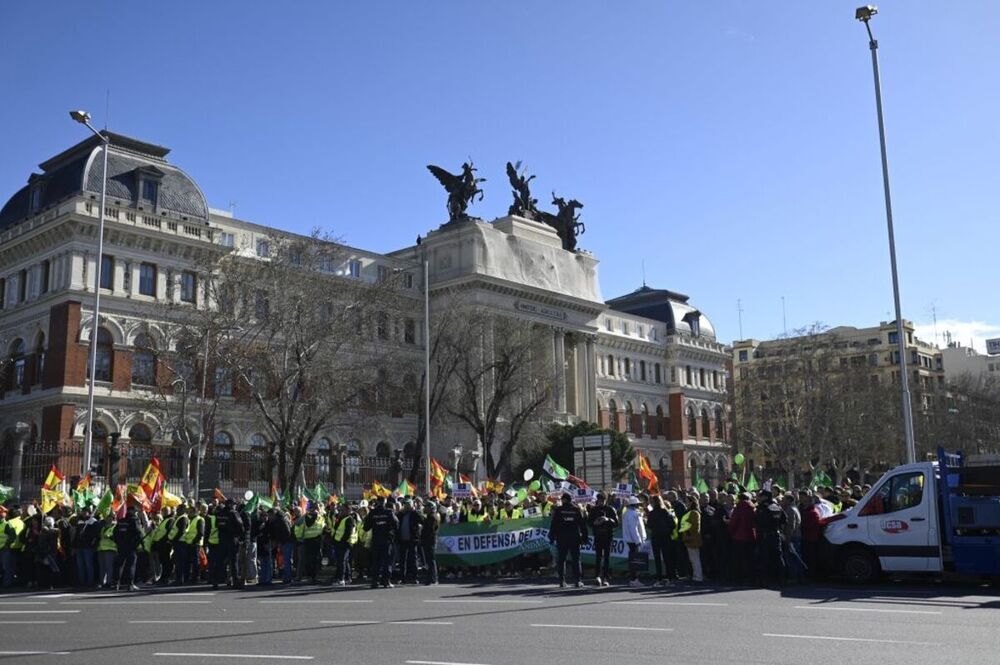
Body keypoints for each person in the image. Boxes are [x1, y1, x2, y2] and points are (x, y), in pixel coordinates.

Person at [548, 493, 588, 588]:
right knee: (576, 559)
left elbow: (554, 525)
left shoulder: (559, 510)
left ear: (564, 500)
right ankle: (578, 581)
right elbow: (582, 525)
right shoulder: (576, 510)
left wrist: (552, 537)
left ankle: (562, 581)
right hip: (575, 538)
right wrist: (584, 538)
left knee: (561, 560)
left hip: (562, 539)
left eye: (562, 499)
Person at [364, 497, 399, 589]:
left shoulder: (372, 513)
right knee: (387, 562)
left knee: (376, 562)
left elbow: (366, 527)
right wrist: (391, 532)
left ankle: (375, 582)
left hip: (376, 541)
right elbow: (396, 524)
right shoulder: (389, 512)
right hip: (387, 541)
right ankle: (386, 582)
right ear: (385, 502)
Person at [587, 492, 618, 587]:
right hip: (598, 535)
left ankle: (605, 577)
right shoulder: (593, 510)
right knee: (598, 557)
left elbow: (616, 523)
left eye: (602, 500)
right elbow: (589, 523)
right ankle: (597, 576)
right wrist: (595, 522)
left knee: (607, 557)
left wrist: (607, 519)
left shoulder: (610, 509)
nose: (601, 502)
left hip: (608, 536)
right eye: (599, 500)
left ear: (605, 500)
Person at [646, 496, 675, 586]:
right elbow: (673, 524)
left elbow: (649, 525)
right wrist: (668, 531)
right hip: (666, 537)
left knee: (657, 559)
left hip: (656, 537)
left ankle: (659, 579)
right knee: (667, 558)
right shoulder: (666, 511)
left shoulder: (652, 513)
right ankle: (670, 578)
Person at [728, 492, 756, 584]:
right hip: (750, 536)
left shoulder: (738, 507)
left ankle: (738, 578)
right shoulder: (752, 507)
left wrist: (731, 532)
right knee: (750, 559)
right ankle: (751, 578)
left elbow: (733, 522)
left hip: (738, 537)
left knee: (738, 559)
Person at [114, 507, 144, 591]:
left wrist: (118, 543)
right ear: (133, 511)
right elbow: (139, 533)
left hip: (121, 546)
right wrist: (140, 543)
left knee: (119, 565)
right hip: (131, 546)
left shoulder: (121, 521)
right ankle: (130, 584)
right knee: (131, 565)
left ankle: (116, 583)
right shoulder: (134, 520)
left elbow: (115, 533)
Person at [621, 496, 646, 587]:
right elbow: (633, 529)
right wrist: (638, 541)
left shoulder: (628, 513)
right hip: (633, 540)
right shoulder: (632, 514)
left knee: (633, 560)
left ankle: (634, 579)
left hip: (631, 540)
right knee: (635, 560)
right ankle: (634, 579)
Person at [72, 508, 100, 588]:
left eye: (85, 512)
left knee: (89, 565)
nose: (84, 513)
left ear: (89, 512)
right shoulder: (80, 521)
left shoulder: (93, 521)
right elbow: (76, 535)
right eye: (83, 512)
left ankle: (90, 582)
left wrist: (88, 536)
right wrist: (74, 546)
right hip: (79, 546)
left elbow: (96, 535)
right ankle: (82, 582)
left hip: (88, 546)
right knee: (80, 565)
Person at [330, 504, 356, 586]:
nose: (340, 511)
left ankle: (341, 579)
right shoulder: (341, 518)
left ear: (348, 511)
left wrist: (341, 541)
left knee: (342, 562)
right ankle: (348, 578)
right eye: (340, 510)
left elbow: (348, 533)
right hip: (338, 543)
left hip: (344, 544)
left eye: (343, 510)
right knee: (345, 561)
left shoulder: (349, 519)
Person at [679, 494, 703, 583]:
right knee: (693, 559)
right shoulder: (691, 512)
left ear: (691, 502)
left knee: (695, 559)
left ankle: (698, 576)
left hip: (692, 538)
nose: (686, 503)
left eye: (687, 501)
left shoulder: (694, 512)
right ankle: (696, 575)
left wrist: (687, 530)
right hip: (690, 538)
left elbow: (696, 526)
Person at [396, 498, 421, 584]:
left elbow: (422, 520)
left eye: (408, 505)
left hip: (412, 540)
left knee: (413, 559)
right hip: (402, 540)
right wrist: (400, 512)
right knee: (402, 559)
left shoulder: (415, 514)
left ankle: (415, 577)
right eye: (405, 505)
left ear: (411, 505)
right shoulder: (401, 514)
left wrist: (415, 511)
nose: (406, 506)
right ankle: (402, 577)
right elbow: (395, 521)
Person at [420, 501, 440, 585]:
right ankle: (431, 577)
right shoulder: (429, 517)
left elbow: (430, 530)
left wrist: (423, 521)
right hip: (427, 541)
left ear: (431, 508)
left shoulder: (433, 517)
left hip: (430, 541)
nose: (425, 508)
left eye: (427, 507)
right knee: (428, 560)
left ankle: (433, 578)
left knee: (431, 560)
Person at [96, 514, 118, 589]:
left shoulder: (115, 527)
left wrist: (110, 536)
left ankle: (109, 582)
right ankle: (102, 582)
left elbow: (116, 537)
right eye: (108, 518)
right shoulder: (103, 527)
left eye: (110, 518)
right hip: (101, 548)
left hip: (110, 548)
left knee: (109, 567)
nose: (109, 520)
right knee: (102, 567)